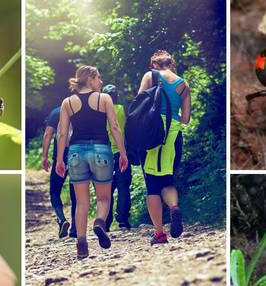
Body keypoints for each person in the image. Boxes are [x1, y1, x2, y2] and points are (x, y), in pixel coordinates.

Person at [56, 66, 129, 259]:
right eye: (98, 78)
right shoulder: (104, 98)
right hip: (101, 150)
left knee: (81, 202)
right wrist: (123, 153)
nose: (101, 82)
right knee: (104, 198)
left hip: (76, 153)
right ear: (90, 79)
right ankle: (99, 222)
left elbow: (62, 133)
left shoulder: (67, 103)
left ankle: (81, 243)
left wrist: (59, 159)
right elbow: (114, 127)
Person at [136, 50, 191, 245]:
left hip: (151, 132)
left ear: (154, 65)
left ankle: (159, 233)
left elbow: (139, 105)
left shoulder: (150, 76)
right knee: (168, 180)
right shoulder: (183, 84)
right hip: (173, 134)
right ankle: (174, 206)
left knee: (152, 185)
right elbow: (185, 119)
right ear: (171, 64)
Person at [42, 106, 77, 238]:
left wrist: (44, 157)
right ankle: (75, 228)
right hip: (77, 155)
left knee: (54, 191)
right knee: (76, 193)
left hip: (59, 157)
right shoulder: (79, 110)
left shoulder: (56, 112)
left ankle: (62, 219)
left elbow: (47, 135)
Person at [103, 84, 132, 232]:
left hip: (103, 155)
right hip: (121, 153)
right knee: (123, 187)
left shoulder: (100, 112)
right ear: (117, 96)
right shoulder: (122, 109)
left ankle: (105, 222)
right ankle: (123, 220)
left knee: (105, 189)